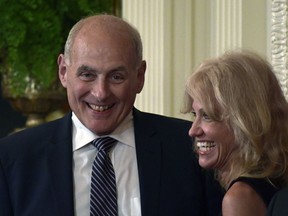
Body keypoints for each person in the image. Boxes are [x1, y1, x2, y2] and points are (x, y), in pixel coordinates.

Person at [0, 14, 223, 216]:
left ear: (139, 77)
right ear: (63, 72)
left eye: (116, 77)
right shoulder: (13, 159)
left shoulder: (191, 149)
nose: (101, 93)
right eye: (87, 74)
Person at [182, 50, 288, 216]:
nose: (192, 130)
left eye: (207, 116)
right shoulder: (273, 182)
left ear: (245, 121)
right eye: (195, 115)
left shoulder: (239, 197)